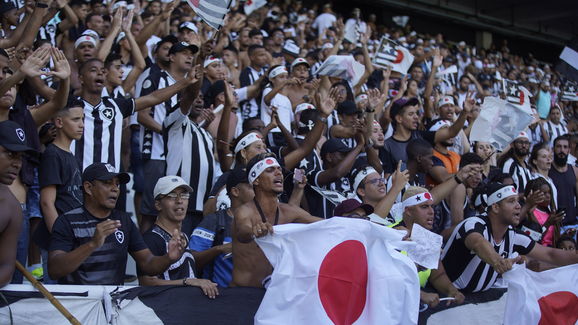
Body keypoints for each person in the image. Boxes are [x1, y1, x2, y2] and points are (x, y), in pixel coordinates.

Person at [48, 163, 186, 285]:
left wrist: (168, 258)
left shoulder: (124, 220)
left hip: (113, 305)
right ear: (88, 188)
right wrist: (92, 244)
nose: (115, 188)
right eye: (107, 183)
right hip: (78, 306)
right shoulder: (67, 221)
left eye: (117, 184)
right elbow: (54, 269)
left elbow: (148, 264)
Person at [441, 182, 578, 293]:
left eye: (518, 201)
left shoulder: (513, 234)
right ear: (495, 207)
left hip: (475, 300)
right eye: (511, 201)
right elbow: (478, 242)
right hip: (446, 296)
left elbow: (550, 254)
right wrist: (498, 261)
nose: (518, 206)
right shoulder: (474, 223)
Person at [231, 153, 320, 288]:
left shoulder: (288, 211)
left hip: (274, 295)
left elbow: (325, 225)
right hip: (243, 294)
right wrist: (254, 232)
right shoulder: (245, 211)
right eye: (270, 170)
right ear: (256, 180)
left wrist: (353, 222)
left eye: (279, 169)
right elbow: (242, 232)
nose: (278, 173)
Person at [138, 175, 223, 299]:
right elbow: (146, 282)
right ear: (158, 204)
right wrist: (187, 282)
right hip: (163, 311)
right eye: (172, 196)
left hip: (184, 308)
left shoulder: (183, 236)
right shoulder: (151, 239)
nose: (179, 200)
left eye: (184, 195)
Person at [393, 186, 465, 308]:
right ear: (408, 211)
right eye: (424, 207)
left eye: (432, 206)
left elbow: (438, 275)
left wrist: (452, 291)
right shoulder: (391, 235)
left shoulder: (430, 238)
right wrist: (420, 295)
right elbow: (387, 280)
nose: (432, 211)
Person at [190, 167, 252, 287]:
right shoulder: (214, 220)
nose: (257, 190)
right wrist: (220, 249)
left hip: (254, 297)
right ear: (235, 192)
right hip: (220, 297)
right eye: (251, 186)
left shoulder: (264, 221)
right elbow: (191, 260)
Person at [0, 121, 36, 287]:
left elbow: (6, 267)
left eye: (20, 157)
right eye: (10, 154)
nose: (17, 164)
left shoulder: (12, 207)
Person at [549, 135, 578, 226]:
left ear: (569, 150)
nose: (562, 150)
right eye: (559, 146)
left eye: (565, 147)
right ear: (553, 149)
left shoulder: (575, 170)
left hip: (573, 223)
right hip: (554, 224)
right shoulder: (547, 169)